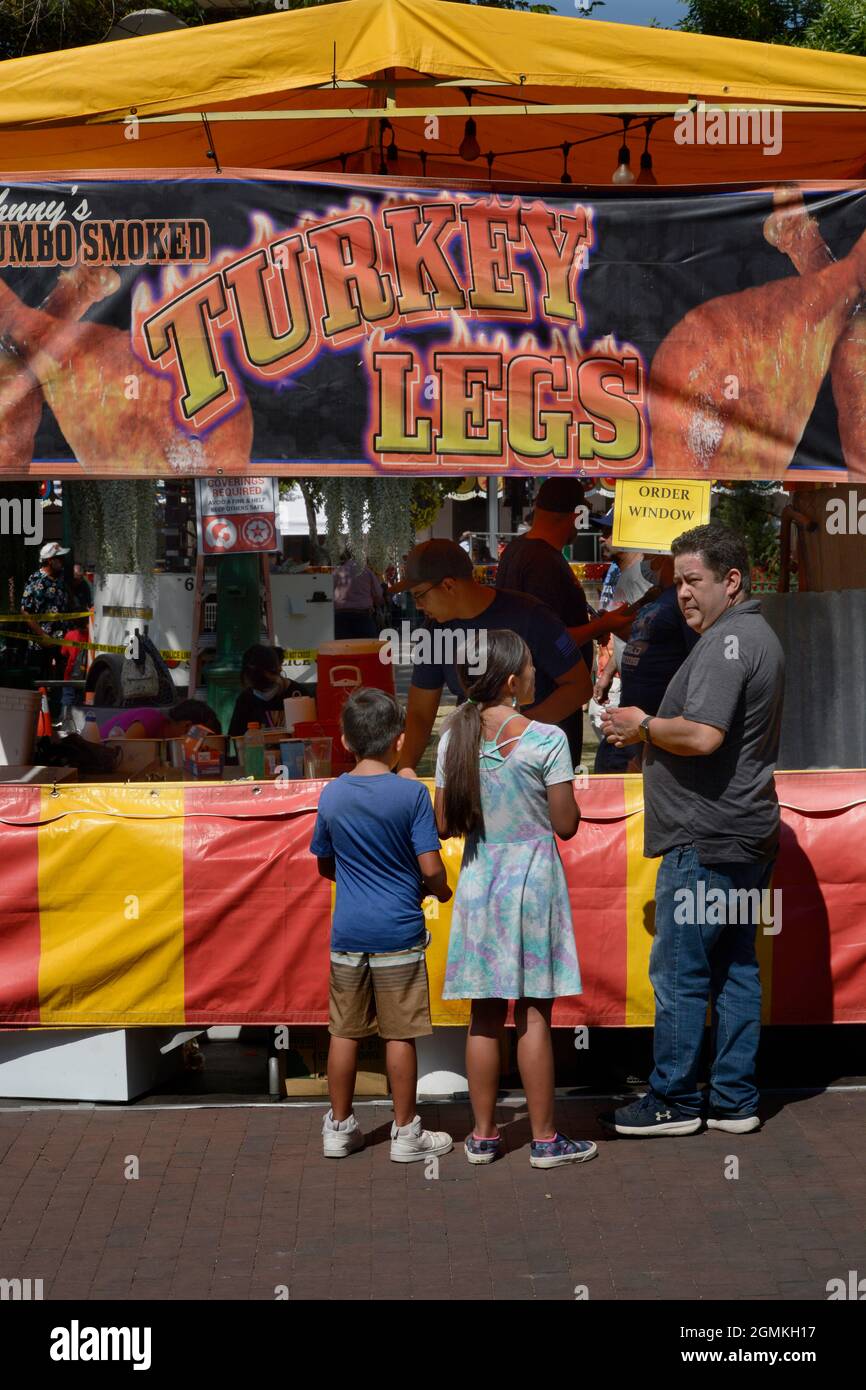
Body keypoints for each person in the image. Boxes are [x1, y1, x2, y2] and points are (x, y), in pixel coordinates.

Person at [599, 524, 785, 1137]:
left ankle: (674, 1100)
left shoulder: (730, 642)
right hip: (743, 832)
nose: (680, 593)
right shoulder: (749, 635)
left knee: (682, 970)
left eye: (692, 580)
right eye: (677, 581)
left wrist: (643, 726)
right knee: (735, 967)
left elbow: (703, 736)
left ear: (732, 581)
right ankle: (734, 1100)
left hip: (706, 836)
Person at [435, 630, 596, 1169]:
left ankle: (482, 1136)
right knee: (533, 1013)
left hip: (480, 881)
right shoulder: (547, 740)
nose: (536, 675)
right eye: (530, 667)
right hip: (533, 882)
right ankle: (546, 1140)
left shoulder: (453, 740)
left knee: (483, 1014)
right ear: (510, 681)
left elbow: (442, 821)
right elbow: (565, 825)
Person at [310, 688, 454, 1163]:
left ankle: (338, 1127)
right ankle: (406, 1131)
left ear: (346, 740)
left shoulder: (332, 795)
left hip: (349, 931)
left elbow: (325, 865)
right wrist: (440, 890)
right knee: (400, 1033)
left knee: (344, 1032)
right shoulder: (411, 794)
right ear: (398, 740)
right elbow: (430, 867)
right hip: (399, 931)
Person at [391, 539, 592, 772]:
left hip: (535, 764)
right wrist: (404, 772)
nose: (417, 605)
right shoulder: (434, 631)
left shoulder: (532, 616)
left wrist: (513, 728)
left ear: (448, 585)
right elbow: (420, 714)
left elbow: (579, 687)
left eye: (419, 595)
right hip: (474, 764)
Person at [496, 478, 632, 766]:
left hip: (535, 697)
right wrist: (601, 625)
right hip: (549, 701)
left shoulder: (519, 550)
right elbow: (549, 639)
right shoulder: (542, 562)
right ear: (575, 515)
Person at [594, 550, 698, 773]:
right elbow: (635, 636)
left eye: (650, 556)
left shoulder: (683, 601)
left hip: (651, 726)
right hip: (630, 724)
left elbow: (695, 659)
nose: (646, 562)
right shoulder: (658, 598)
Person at [227, 644, 306, 739]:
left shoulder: (298, 695)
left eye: (263, 682)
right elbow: (236, 737)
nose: (260, 690)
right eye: (255, 686)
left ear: (278, 671)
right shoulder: (245, 699)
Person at [21, 542, 71, 682]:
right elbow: (25, 612)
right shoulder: (36, 580)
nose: (63, 561)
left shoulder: (60, 580)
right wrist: (42, 636)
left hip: (61, 642)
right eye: (60, 558)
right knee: (39, 683)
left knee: (60, 681)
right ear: (50, 560)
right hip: (41, 644)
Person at [100, 699, 221, 740]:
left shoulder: (164, 738)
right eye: (200, 738)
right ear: (187, 726)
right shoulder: (151, 720)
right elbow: (124, 749)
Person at [333, 550, 384, 640]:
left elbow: (329, 592)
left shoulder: (337, 572)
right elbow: (378, 594)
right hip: (363, 617)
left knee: (343, 650)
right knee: (366, 649)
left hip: (341, 618)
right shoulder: (367, 572)